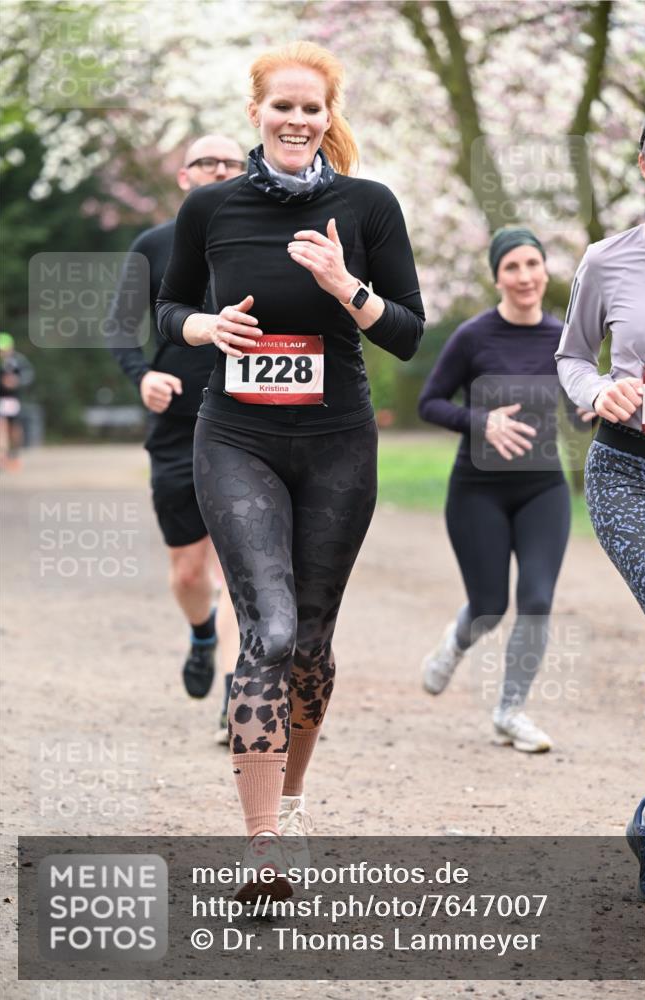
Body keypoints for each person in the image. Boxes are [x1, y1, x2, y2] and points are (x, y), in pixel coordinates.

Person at [156, 41, 424, 894]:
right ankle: (263, 844)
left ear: (328, 116)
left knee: (310, 642)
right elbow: (169, 308)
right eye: (283, 106)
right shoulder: (213, 209)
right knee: (267, 632)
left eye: (313, 108)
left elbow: (408, 333)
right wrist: (204, 330)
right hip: (235, 438)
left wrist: (348, 285)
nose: (298, 120)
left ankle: (293, 800)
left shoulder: (368, 205)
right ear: (256, 113)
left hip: (337, 440)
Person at [419, 227, 595, 753]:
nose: (524, 276)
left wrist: (591, 410)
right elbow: (430, 402)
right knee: (490, 605)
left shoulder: (565, 339)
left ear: (545, 271)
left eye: (532, 265)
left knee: (537, 599)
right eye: (512, 267)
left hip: (543, 488)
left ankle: (510, 711)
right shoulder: (473, 336)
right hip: (478, 491)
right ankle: (456, 642)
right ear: (497, 276)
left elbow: (577, 412)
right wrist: (481, 420)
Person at [556, 101, 645, 914]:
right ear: (643, 167)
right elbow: (568, 356)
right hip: (631, 473)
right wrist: (600, 389)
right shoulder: (608, 260)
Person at [110, 135, 243, 741]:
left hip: (250, 423)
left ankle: (243, 693)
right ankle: (201, 636)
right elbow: (120, 328)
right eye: (207, 162)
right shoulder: (154, 244)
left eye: (232, 162)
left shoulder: (268, 242)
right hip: (176, 422)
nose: (220, 170)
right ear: (184, 177)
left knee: (248, 565)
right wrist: (144, 376)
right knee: (191, 574)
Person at [0, 332, 34, 471]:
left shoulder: (18, 360)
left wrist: (16, 381)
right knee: (0, 428)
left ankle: (13, 456)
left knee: (13, 429)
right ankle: (1, 458)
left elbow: (28, 375)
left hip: (12, 399)